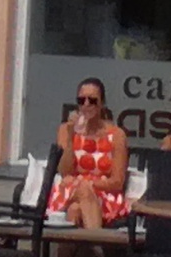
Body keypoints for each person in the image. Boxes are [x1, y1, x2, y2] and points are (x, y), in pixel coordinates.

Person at [43, 79, 126, 228]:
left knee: (75, 210)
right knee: (81, 192)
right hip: (70, 192)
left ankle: (89, 248)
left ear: (102, 103)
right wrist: (69, 137)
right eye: (81, 100)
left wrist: (89, 184)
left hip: (104, 194)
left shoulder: (116, 135)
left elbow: (117, 182)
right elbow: (65, 171)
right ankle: (98, 245)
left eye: (92, 100)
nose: (86, 104)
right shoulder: (66, 130)